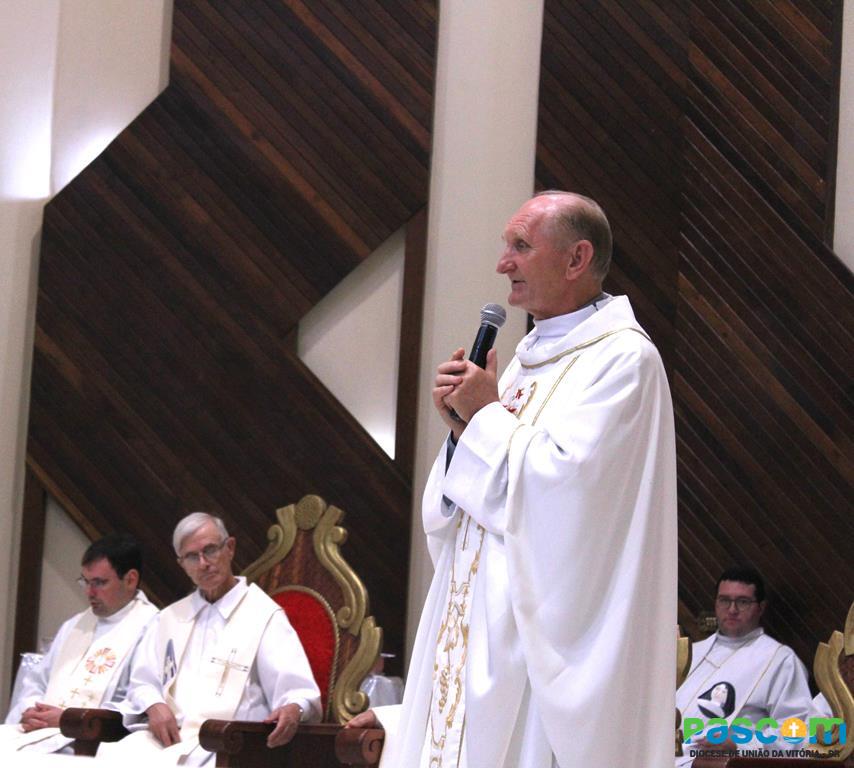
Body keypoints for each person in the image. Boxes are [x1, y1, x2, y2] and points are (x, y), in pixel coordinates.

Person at [348, 191, 678, 767]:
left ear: (577, 258)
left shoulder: (624, 361)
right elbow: (470, 499)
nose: (503, 263)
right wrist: (461, 433)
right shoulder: (526, 358)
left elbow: (569, 496)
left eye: (521, 246)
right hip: (473, 624)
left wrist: (485, 415)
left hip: (540, 638)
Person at [101, 512, 320, 765]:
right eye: (192, 557)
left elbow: (297, 692)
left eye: (210, 550)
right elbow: (142, 683)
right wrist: (154, 705)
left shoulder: (263, 616)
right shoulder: (169, 618)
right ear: (182, 564)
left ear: (230, 548)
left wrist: (294, 708)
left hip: (228, 745)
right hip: (166, 740)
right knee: (107, 759)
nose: (203, 563)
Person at [0, 533, 157, 754]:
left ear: (130, 579)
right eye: (86, 581)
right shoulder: (74, 625)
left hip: (94, 741)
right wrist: (31, 711)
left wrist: (69, 719)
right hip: (42, 732)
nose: (89, 592)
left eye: (99, 583)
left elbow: (139, 704)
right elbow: (37, 681)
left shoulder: (153, 627)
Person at [676, 566, 812, 765]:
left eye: (743, 601)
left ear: (761, 607)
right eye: (725, 600)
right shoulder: (691, 653)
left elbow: (797, 730)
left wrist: (739, 745)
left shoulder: (780, 660)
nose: (732, 610)